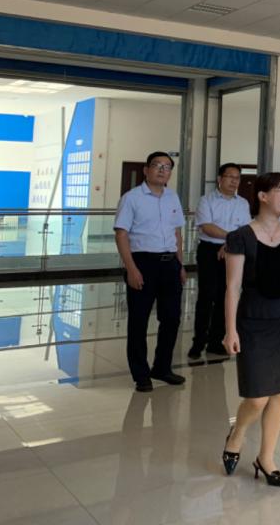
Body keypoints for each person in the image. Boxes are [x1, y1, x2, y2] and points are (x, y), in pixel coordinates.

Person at [221, 172, 280, 487]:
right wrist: (230, 330)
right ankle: (237, 434)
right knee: (258, 396)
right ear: (262, 196)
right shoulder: (240, 237)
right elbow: (232, 288)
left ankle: (266, 458)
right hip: (254, 319)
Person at [114, 151, 187, 393]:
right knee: (139, 321)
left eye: (167, 167)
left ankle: (162, 368)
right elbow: (121, 234)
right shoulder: (131, 198)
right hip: (143, 263)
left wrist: (180, 264)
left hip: (170, 264)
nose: (162, 170)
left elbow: (177, 233)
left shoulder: (172, 197)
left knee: (171, 319)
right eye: (157, 165)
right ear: (146, 170)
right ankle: (141, 374)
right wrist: (131, 269)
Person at [188, 163, 250, 360]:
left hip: (233, 252)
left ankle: (216, 341)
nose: (234, 181)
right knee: (206, 297)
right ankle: (198, 342)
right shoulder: (206, 200)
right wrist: (230, 239)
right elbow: (207, 226)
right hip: (209, 251)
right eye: (230, 177)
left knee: (226, 295)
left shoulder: (243, 203)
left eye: (237, 177)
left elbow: (245, 230)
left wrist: (230, 243)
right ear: (219, 179)